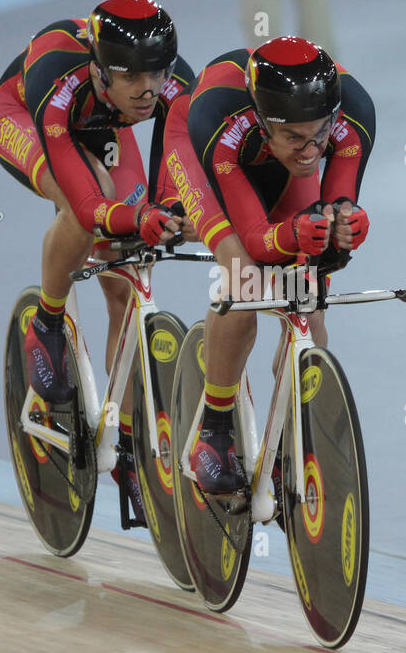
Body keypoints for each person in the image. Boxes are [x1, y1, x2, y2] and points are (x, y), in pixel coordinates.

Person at [0, 0, 194, 527]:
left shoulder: (172, 82)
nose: (149, 89)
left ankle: (128, 449)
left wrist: (166, 208)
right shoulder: (60, 74)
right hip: (27, 118)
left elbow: (177, 156)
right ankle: (48, 322)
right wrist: (131, 216)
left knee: (124, 281)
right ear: (102, 72)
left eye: (158, 74)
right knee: (89, 211)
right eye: (133, 78)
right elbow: (86, 204)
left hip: (102, 126)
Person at [159, 35, 374, 501]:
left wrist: (345, 226)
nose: (312, 149)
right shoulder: (219, 116)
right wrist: (294, 234)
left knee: (309, 304)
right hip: (203, 155)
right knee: (245, 278)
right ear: (262, 121)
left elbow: (337, 199)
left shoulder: (355, 114)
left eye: (321, 134)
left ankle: (286, 435)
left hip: (275, 169)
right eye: (296, 136)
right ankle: (213, 428)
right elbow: (257, 239)